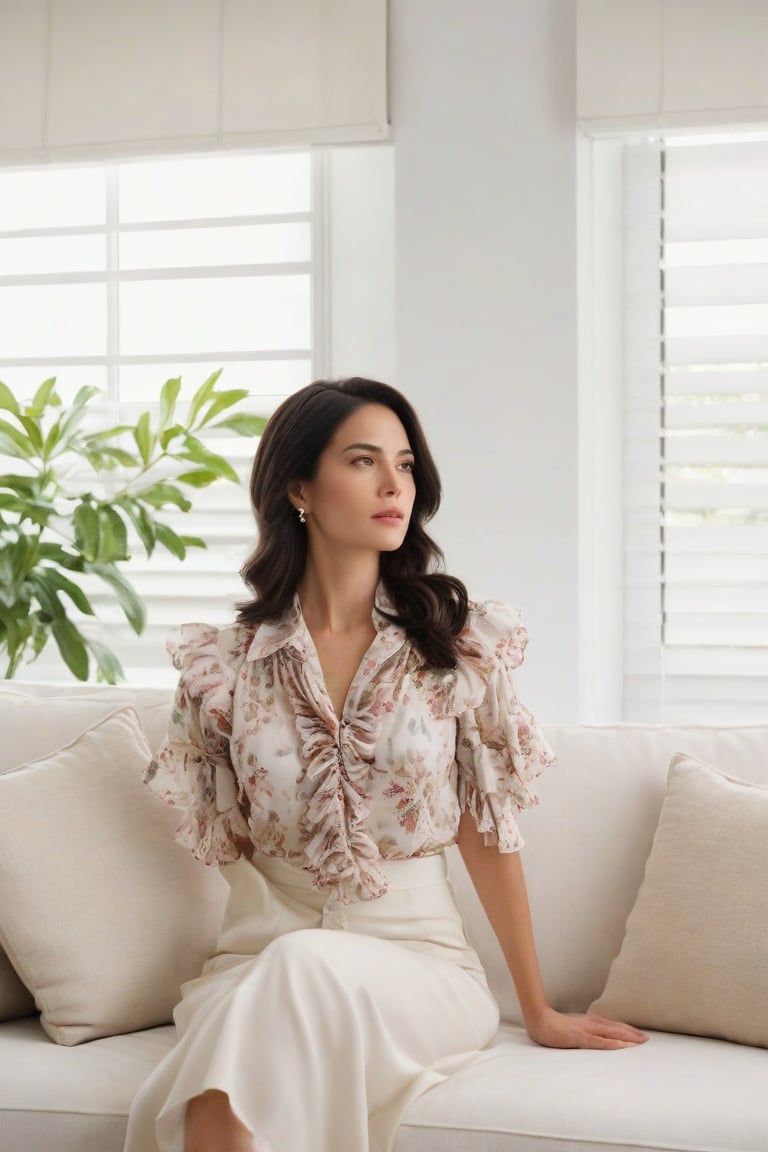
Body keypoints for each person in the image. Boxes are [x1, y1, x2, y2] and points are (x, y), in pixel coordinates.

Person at [124, 377, 646, 1152]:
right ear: (298, 487)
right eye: (363, 461)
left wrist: (536, 1009)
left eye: (404, 464)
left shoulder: (455, 647)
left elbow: (486, 830)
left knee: (271, 1011)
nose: (394, 484)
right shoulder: (224, 665)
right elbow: (231, 847)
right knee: (227, 1087)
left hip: (419, 970)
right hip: (258, 962)